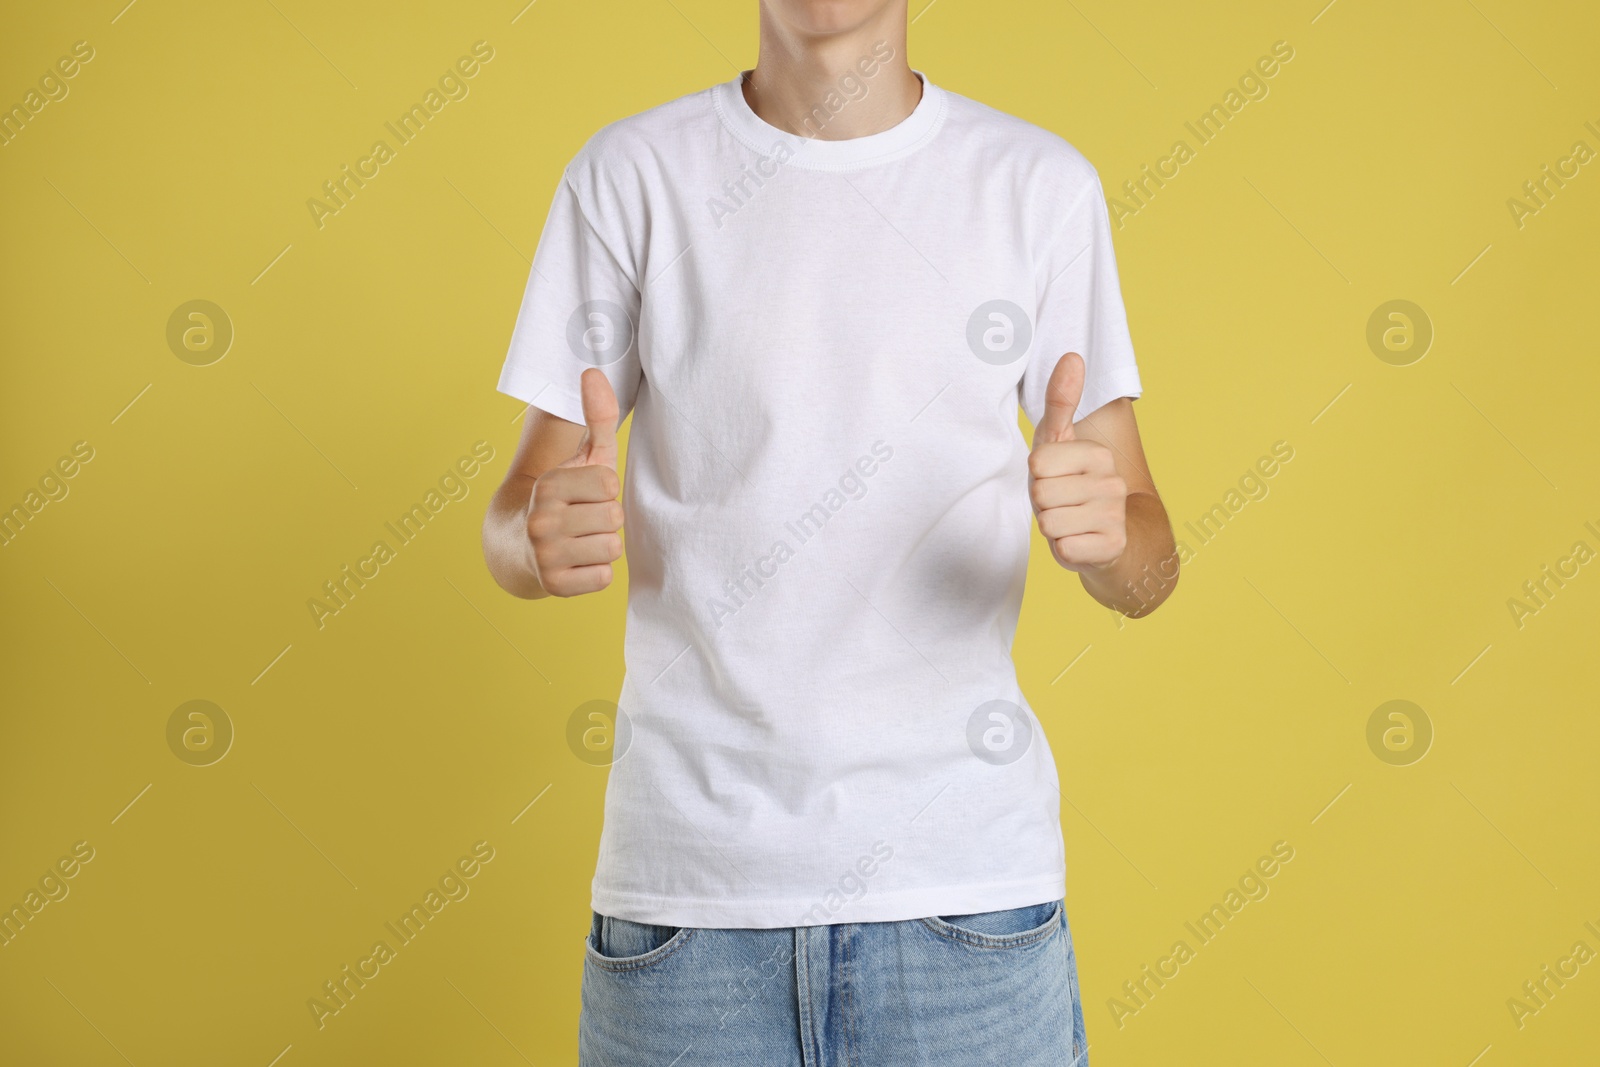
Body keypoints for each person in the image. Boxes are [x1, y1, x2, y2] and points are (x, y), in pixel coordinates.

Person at [481, 1, 1178, 1062]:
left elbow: (1149, 560)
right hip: (687, 913)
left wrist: (1107, 536)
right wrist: (531, 540)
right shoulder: (631, 175)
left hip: (965, 906)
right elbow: (515, 509)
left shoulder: (1039, 188)